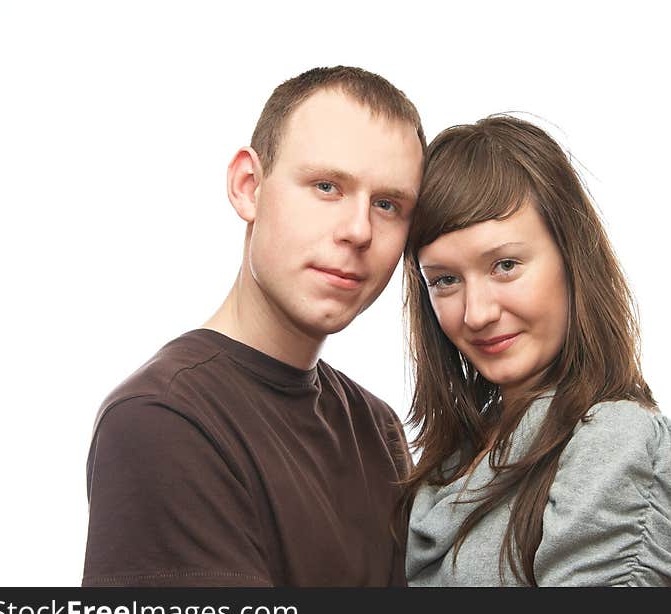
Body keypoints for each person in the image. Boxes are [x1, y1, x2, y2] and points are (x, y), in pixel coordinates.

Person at [82, 66, 425, 586]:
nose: (359, 230)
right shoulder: (163, 420)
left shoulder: (377, 430)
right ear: (248, 187)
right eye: (327, 186)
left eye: (387, 205)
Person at [401, 115, 671, 586]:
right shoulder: (454, 459)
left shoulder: (612, 438)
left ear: (572, 258)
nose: (477, 313)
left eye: (505, 265)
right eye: (446, 280)